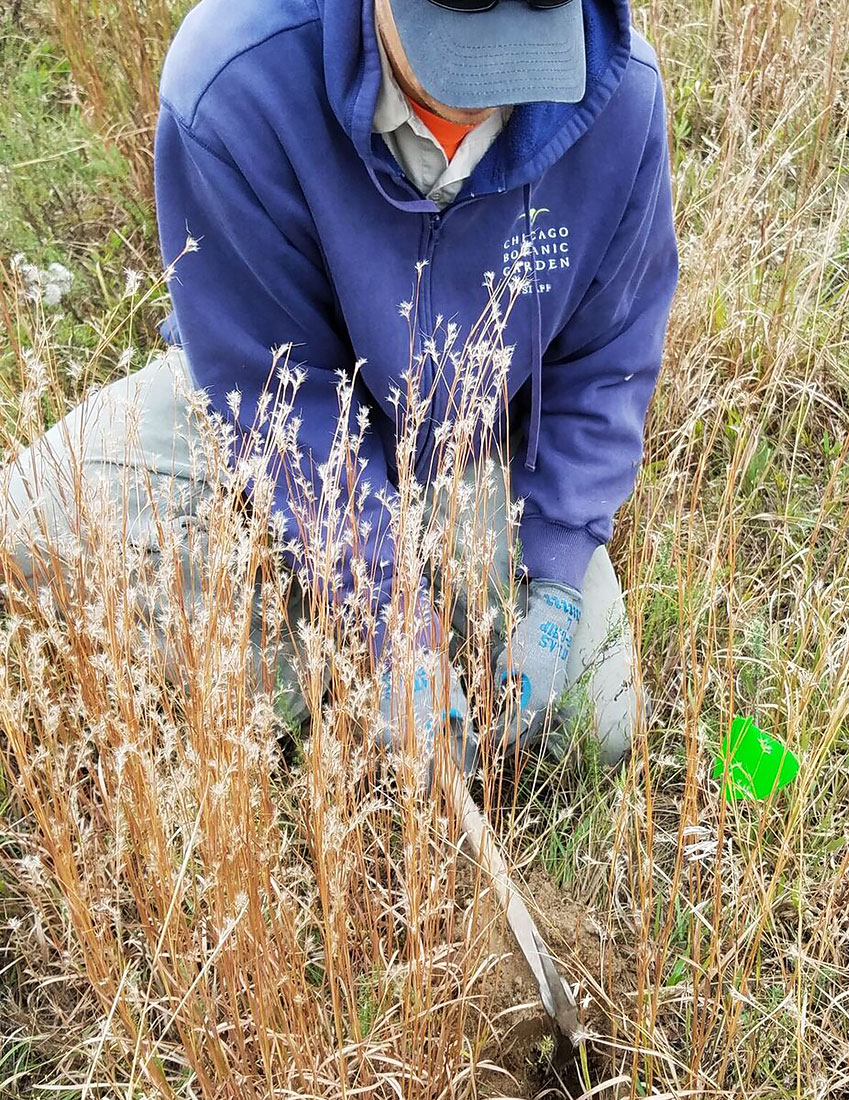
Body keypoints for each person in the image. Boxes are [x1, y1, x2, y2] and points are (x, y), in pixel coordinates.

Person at [0, 0, 678, 774]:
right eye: (455, 48)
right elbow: (273, 389)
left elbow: (608, 361)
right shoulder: (235, 80)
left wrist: (554, 581)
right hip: (272, 410)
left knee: (597, 722)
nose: (482, 101)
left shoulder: (620, 93)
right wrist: (391, 621)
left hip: (478, 443)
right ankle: (336, 680)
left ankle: (339, 661)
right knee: (29, 525)